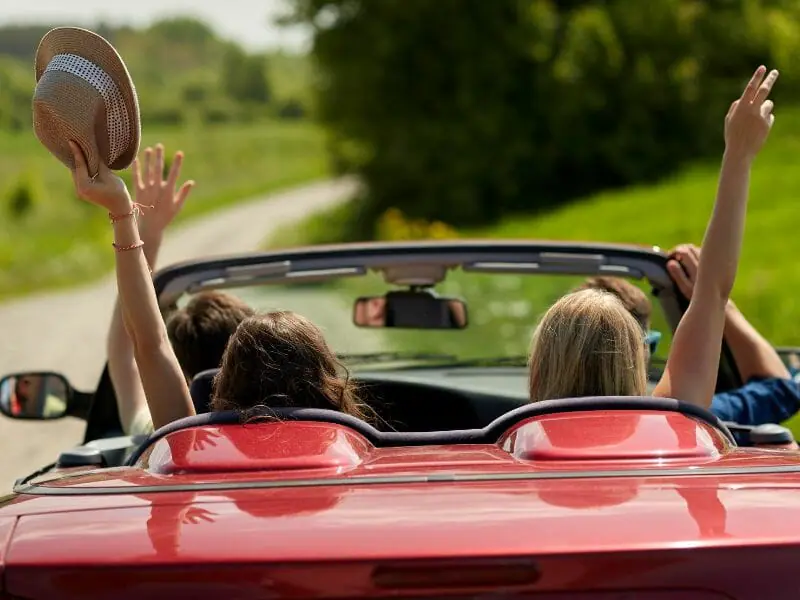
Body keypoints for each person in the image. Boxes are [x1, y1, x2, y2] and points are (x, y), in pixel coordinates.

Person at [68, 143, 372, 433]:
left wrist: (126, 215)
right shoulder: (366, 449)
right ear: (329, 383)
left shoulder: (188, 440)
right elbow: (148, 343)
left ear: (223, 379)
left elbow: (148, 342)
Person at [527, 66, 778, 410]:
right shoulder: (669, 420)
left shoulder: (508, 439)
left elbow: (714, 292)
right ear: (636, 361)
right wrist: (738, 153)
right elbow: (713, 291)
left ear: (538, 372)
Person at [105, 144, 256, 437]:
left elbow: (127, 351)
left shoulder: (167, 431)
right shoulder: (322, 421)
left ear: (182, 371)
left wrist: (147, 231)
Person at [577, 248, 800, 426]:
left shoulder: (550, 430)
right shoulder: (679, 420)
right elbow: (780, 390)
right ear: (642, 351)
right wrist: (720, 302)